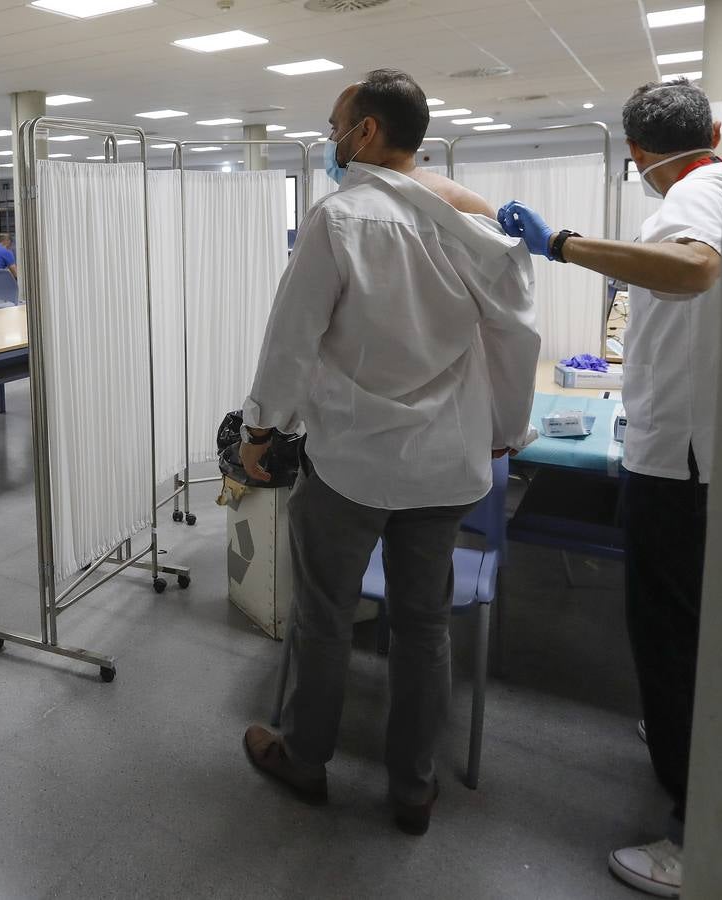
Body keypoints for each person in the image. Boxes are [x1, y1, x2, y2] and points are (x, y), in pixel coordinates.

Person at [237, 69, 539, 837]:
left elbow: (292, 340)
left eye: (336, 121)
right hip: (446, 463)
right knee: (425, 626)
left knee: (326, 616)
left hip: (355, 462)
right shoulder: (468, 225)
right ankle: (413, 787)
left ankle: (306, 757)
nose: (332, 137)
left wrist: (260, 429)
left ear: (366, 131)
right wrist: (505, 426)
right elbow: (514, 336)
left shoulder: (340, 219)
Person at [498, 77, 722, 899]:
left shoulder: (694, 198)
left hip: (683, 467)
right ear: (716, 128)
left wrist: (561, 244)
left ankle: (697, 838)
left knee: (668, 637)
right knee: (686, 637)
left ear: (636, 154)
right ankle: (685, 741)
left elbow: (696, 270)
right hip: (689, 453)